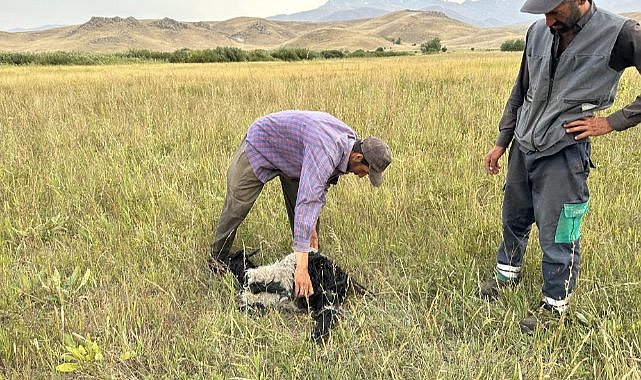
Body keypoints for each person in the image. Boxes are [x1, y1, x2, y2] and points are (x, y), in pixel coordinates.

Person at [480, 0, 641, 333]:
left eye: (554, 10)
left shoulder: (620, 34)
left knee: (560, 233)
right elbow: (520, 90)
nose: (547, 19)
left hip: (564, 152)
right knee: (514, 219)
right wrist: (502, 140)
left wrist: (612, 122)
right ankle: (505, 279)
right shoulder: (537, 31)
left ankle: (554, 308)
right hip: (523, 146)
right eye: (543, 11)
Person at [210, 110, 392, 299]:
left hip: (295, 160)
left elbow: (318, 188)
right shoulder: (327, 151)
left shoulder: (351, 144)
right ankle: (217, 260)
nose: (362, 176)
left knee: (310, 226)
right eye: (365, 171)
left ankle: (309, 265)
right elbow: (307, 202)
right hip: (262, 144)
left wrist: (311, 229)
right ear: (357, 157)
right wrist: (301, 270)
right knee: (237, 206)